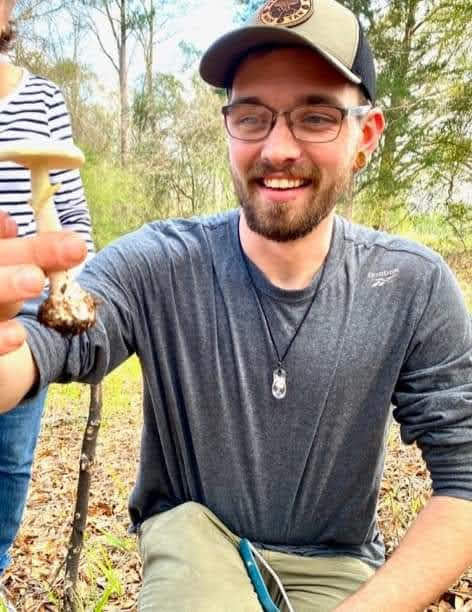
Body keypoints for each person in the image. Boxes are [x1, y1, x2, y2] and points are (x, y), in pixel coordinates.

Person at [1, 0, 472, 609]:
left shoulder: (411, 285)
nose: (277, 148)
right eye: (252, 116)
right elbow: (35, 351)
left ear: (366, 134)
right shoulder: (160, 261)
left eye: (316, 117)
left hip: (339, 568)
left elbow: (464, 479)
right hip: (195, 536)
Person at [0, 3, 94, 607]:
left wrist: (67, 286)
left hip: (25, 329)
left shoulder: (41, 100)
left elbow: (72, 216)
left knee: (7, 472)